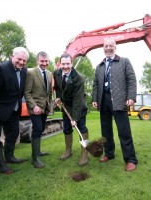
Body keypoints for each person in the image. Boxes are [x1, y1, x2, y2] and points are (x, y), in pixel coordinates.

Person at [92, 38, 138, 171]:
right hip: (103, 101)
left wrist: (131, 97)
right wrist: (95, 99)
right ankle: (109, 153)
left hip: (119, 101)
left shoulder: (124, 61)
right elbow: (95, 84)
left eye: (111, 46)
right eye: (106, 46)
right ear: (103, 48)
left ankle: (130, 159)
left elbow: (131, 80)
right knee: (106, 132)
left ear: (115, 48)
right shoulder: (99, 66)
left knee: (124, 131)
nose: (108, 48)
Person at [0, 47, 29, 175]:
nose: (21, 62)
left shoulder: (24, 71)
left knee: (13, 133)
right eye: (19, 59)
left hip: (14, 110)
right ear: (12, 56)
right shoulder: (1, 69)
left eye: (24, 60)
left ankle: (9, 157)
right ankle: (0, 165)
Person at [53, 53, 89, 166]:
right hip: (66, 107)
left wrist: (75, 118)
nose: (65, 66)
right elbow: (58, 87)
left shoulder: (79, 78)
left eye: (68, 64)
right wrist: (58, 97)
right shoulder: (57, 73)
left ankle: (84, 153)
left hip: (79, 107)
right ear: (60, 64)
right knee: (67, 128)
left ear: (72, 64)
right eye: (63, 64)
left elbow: (78, 100)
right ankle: (68, 150)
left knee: (81, 128)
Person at [24, 51, 53, 169]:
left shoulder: (50, 74)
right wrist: (34, 106)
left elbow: (49, 92)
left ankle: (38, 152)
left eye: (46, 61)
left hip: (45, 108)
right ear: (37, 61)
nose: (44, 63)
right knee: (37, 129)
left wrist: (50, 104)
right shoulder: (31, 73)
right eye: (42, 61)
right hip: (35, 108)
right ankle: (35, 159)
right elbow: (27, 92)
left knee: (41, 129)